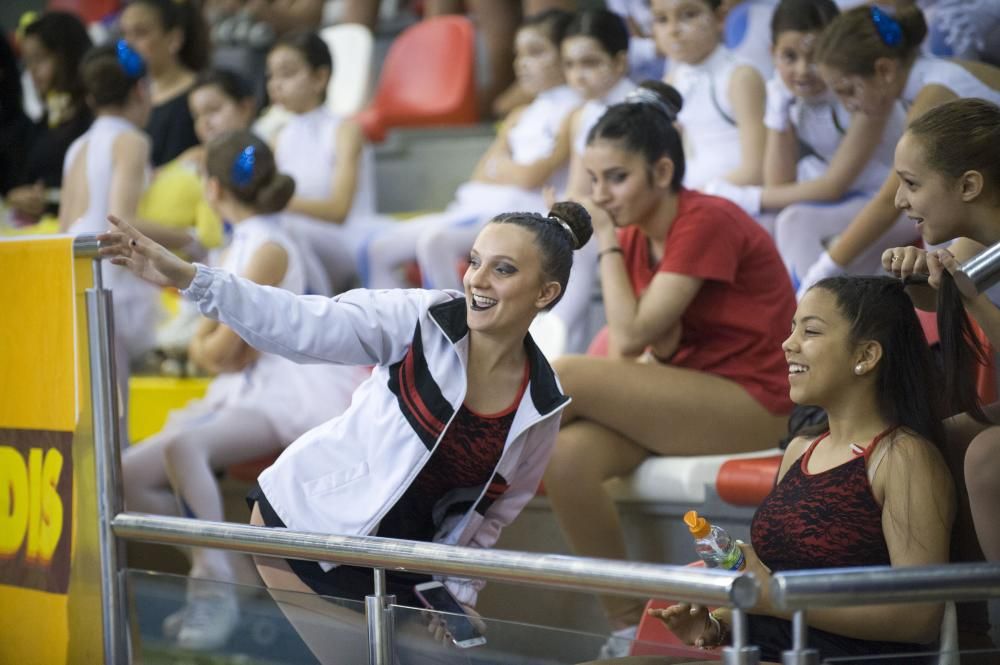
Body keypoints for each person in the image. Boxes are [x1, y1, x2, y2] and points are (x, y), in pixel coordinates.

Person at [98, 198, 593, 663]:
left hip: (402, 569)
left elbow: (491, 517)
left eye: (502, 269)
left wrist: (458, 594)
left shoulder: (542, 405)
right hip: (307, 530)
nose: (477, 280)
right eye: (475, 261)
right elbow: (301, 322)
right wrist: (191, 278)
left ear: (546, 293)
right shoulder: (420, 318)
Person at [542, 80, 795, 657]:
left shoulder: (705, 220)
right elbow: (642, 344)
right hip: (694, 400)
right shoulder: (638, 236)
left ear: (661, 171)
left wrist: (604, 241)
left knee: (569, 375)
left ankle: (464, 476)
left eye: (616, 177)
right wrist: (614, 241)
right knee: (567, 457)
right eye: (595, 177)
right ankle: (626, 622)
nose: (601, 193)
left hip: (758, 403)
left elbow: (630, 339)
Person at [121, 130, 368, 651]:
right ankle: (228, 571)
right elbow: (219, 348)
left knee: (182, 446)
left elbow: (224, 352)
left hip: (292, 388)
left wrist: (207, 346)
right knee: (127, 477)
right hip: (252, 388)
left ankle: (216, 588)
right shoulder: (244, 241)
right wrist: (209, 346)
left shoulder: (268, 245)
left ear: (212, 188)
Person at [653, 275, 956, 664]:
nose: (787, 343)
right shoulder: (800, 450)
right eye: (792, 328)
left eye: (810, 331)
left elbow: (919, 618)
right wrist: (716, 626)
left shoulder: (904, 457)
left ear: (865, 356)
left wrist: (778, 598)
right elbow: (768, 587)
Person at [363, 9, 579, 291]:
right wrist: (514, 170)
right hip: (480, 208)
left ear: (565, 55)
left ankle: (457, 332)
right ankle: (400, 329)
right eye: (519, 54)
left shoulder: (574, 111)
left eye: (536, 53)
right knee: (378, 248)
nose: (522, 64)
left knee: (434, 241)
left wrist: (503, 167)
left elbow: (531, 177)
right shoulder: (519, 115)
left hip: (524, 214)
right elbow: (480, 173)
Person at [796, 3, 1000, 296]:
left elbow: (885, 205)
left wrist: (825, 269)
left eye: (848, 90)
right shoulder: (926, 80)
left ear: (884, 70)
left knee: (933, 216)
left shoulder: (931, 100)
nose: (848, 105)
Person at [884, 98, 1000, 570]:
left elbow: (966, 293)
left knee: (987, 457)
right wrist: (914, 277)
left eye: (911, 184)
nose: (898, 200)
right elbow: (939, 294)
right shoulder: (975, 246)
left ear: (969, 185)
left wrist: (971, 297)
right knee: (932, 444)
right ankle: (970, 625)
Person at [59, 42, 162, 442]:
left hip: (72, 275)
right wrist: (191, 238)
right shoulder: (131, 141)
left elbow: (67, 224)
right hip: (109, 283)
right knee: (113, 416)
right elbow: (122, 222)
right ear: (141, 90)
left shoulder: (76, 146)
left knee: (93, 409)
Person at [266, 30, 385, 295]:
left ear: (320, 77)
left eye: (287, 73)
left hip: (351, 237)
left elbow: (338, 210)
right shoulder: (278, 139)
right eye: (272, 75)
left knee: (284, 229)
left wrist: (276, 202)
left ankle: (322, 308)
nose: (276, 84)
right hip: (307, 239)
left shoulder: (345, 131)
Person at [652, 0, 767, 192]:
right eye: (662, 19)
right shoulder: (672, 81)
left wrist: (691, 199)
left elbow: (755, 171)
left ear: (719, 17)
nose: (673, 29)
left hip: (737, 199)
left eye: (689, 15)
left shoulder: (740, 77)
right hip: (694, 193)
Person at [6, 11, 92, 225]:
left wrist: (50, 199)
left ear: (69, 55)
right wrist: (18, 196)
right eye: (27, 62)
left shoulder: (96, 116)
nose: (32, 70)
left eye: (40, 58)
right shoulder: (39, 125)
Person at [120, 0, 211, 167]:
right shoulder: (126, 97)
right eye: (124, 34)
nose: (128, 44)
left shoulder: (199, 94)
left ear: (173, 39)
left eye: (140, 33)